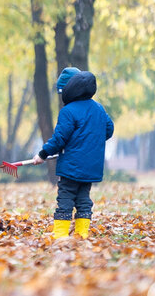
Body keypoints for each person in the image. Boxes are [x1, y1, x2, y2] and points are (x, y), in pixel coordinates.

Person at [32, 68, 114, 239]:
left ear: (69, 90)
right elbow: (108, 129)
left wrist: (42, 154)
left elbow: (59, 139)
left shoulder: (68, 111)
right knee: (84, 199)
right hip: (91, 167)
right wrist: (90, 142)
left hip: (71, 167)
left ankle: (60, 235)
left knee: (65, 198)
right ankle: (81, 234)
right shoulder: (99, 108)